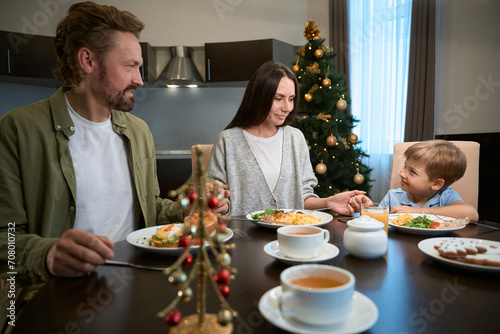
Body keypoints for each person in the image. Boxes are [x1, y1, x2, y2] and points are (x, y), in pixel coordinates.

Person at [0, 1, 228, 284]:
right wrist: (47, 254)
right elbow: (6, 238)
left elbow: (151, 211)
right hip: (59, 292)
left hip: (136, 282)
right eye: (130, 66)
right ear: (88, 61)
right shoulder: (18, 129)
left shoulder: (139, 131)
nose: (140, 80)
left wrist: (187, 209)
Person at [208, 60, 370, 216]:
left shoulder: (295, 138)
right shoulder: (227, 141)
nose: (287, 107)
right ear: (258, 97)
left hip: (290, 237)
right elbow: (218, 196)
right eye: (278, 98)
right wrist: (219, 202)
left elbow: (303, 197)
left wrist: (329, 202)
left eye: (291, 99)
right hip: (244, 239)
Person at [379, 140, 479, 221]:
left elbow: (471, 214)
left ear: (436, 183)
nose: (402, 173)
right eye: (405, 166)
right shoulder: (393, 197)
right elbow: (375, 221)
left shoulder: (445, 197)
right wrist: (368, 207)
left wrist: (417, 211)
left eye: (412, 171)